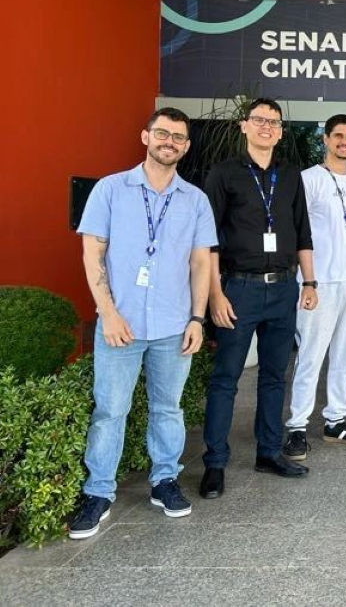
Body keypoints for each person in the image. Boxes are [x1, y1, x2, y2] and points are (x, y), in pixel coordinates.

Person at [70, 107, 216, 539]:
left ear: (186, 147)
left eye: (178, 137)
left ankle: (164, 481)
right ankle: (98, 492)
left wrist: (197, 318)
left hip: (174, 325)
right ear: (146, 137)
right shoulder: (110, 190)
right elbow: (91, 254)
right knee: (110, 410)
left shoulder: (195, 199)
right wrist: (108, 313)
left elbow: (200, 263)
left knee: (168, 408)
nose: (169, 142)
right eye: (163, 133)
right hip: (122, 325)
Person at [200, 98, 318, 499]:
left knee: (273, 376)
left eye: (274, 122)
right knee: (226, 378)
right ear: (244, 127)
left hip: (284, 287)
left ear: (281, 132)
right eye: (259, 121)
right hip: (239, 288)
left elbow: (301, 231)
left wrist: (310, 283)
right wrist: (215, 293)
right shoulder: (224, 173)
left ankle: (268, 452)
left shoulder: (289, 175)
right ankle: (214, 463)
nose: (267, 127)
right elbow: (207, 238)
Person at [284, 115, 346, 460]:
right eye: (338, 136)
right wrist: (307, 280)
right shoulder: (307, 180)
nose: (344, 142)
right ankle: (297, 426)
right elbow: (296, 232)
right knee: (311, 353)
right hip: (319, 281)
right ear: (326, 139)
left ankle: (335, 419)